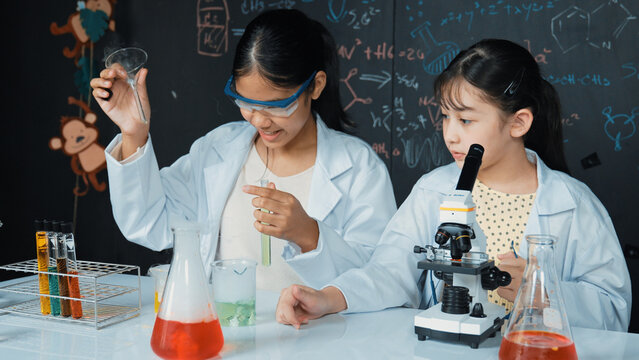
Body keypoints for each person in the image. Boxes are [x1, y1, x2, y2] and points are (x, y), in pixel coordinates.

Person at [275, 39, 632, 331]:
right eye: (445, 116)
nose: (451, 134)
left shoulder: (572, 203)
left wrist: (541, 291)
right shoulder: (433, 190)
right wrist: (329, 297)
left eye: (466, 119)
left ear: (519, 122)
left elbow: (614, 309)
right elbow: (388, 271)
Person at [89, 9, 396, 292]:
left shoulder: (359, 168)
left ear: (315, 86)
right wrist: (133, 132)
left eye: (278, 105)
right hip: (230, 338)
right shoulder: (218, 151)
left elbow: (381, 280)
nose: (260, 119)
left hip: (319, 343)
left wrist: (310, 235)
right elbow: (149, 222)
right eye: (246, 102)